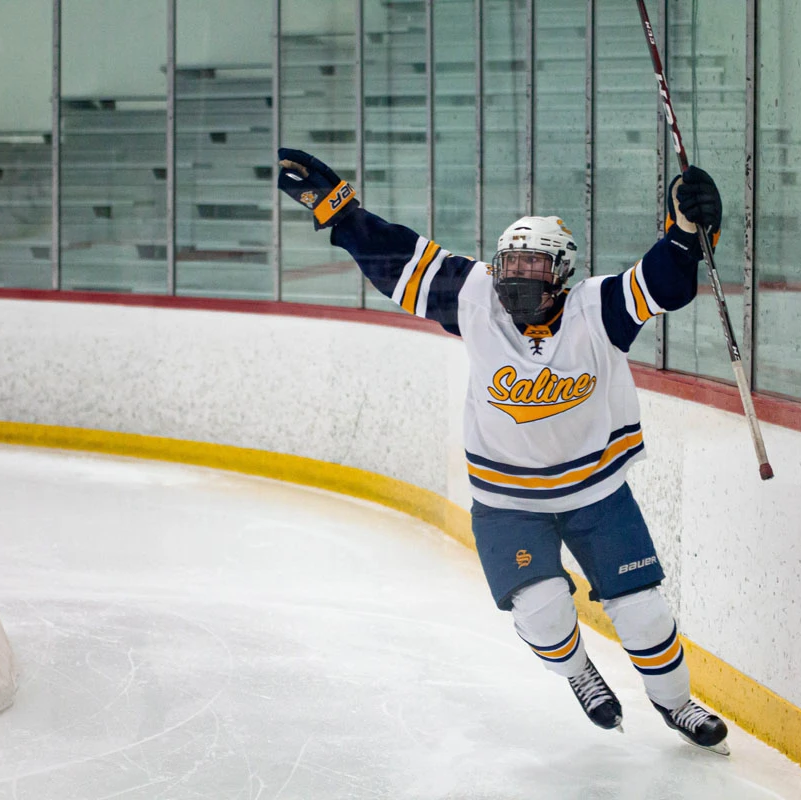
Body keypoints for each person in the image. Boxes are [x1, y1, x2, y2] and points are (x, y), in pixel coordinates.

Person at [277, 147, 730, 754]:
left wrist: (686, 232)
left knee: (643, 613)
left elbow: (665, 283)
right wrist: (341, 211)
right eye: (509, 262)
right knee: (543, 611)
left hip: (596, 490)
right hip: (507, 498)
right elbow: (396, 260)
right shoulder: (475, 297)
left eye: (532, 265)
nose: (515, 276)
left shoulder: (598, 309)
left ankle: (677, 704)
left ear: (561, 271)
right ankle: (579, 675)